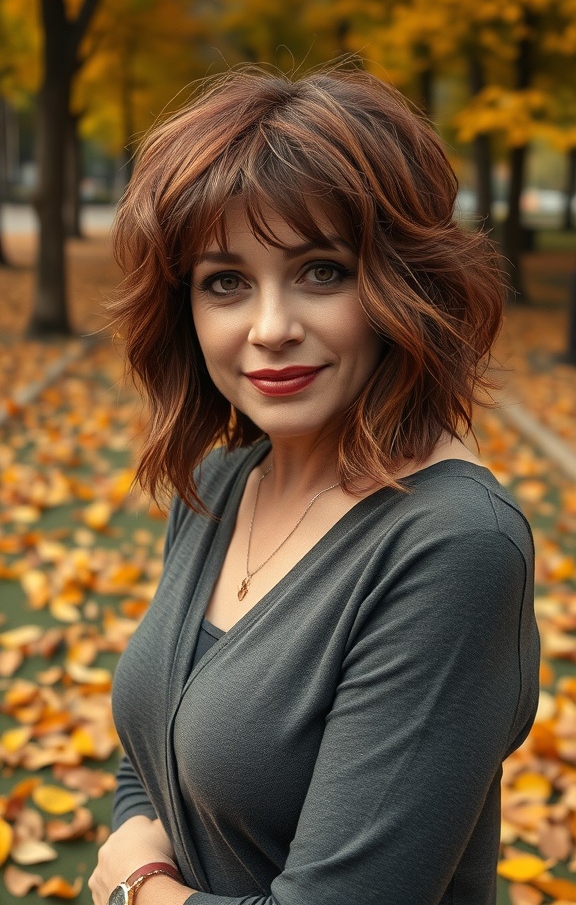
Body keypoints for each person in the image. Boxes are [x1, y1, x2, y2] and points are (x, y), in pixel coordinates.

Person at [89, 66, 540, 905]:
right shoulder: (225, 480)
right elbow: (155, 751)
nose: (270, 328)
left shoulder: (453, 547)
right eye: (226, 282)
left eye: (322, 271)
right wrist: (138, 832)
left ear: (402, 284)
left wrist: (138, 889)